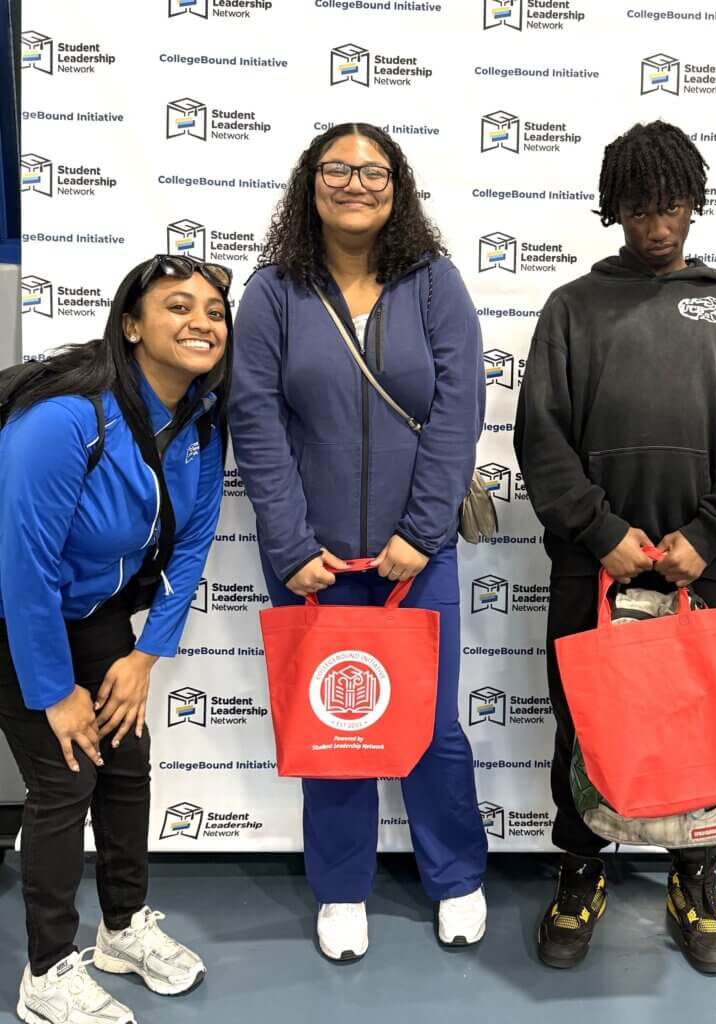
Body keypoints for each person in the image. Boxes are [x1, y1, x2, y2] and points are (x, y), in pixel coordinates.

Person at [513, 120, 716, 974]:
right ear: (612, 209)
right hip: (591, 570)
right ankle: (581, 867)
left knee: (693, 726)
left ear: (693, 204)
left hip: (701, 568)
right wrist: (599, 533)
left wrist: (706, 535)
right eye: (637, 208)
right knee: (583, 726)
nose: (655, 225)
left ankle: (694, 878)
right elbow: (540, 435)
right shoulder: (572, 308)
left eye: (669, 206)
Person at [230, 122, 488, 961]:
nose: (354, 183)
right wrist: (291, 544)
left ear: (396, 186)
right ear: (311, 185)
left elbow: (457, 411)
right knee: (331, 727)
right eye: (335, 169)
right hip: (315, 564)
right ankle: (341, 889)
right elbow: (256, 421)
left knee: (432, 725)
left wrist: (421, 533)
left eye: (372, 170)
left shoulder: (433, 283)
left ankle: (456, 877)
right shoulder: (274, 291)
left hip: (420, 559)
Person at [0, 254, 232, 1024]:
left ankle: (123, 930)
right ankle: (47, 973)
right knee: (67, 776)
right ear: (131, 325)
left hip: (91, 611)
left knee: (126, 761)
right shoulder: (66, 417)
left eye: (213, 311)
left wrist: (143, 656)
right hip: (10, 611)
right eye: (177, 306)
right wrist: (52, 691)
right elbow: (24, 566)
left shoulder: (200, 423)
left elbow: (191, 545)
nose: (202, 321)